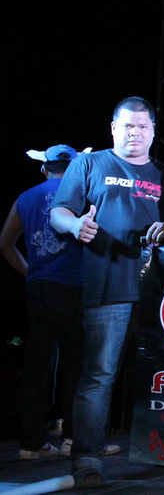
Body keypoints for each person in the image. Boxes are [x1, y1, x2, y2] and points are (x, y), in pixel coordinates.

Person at [50, 97, 164, 488]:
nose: (134, 133)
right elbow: (58, 212)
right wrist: (75, 226)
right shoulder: (89, 164)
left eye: (142, 126)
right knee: (99, 375)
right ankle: (87, 459)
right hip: (108, 287)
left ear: (153, 131)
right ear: (113, 128)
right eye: (127, 126)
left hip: (162, 293)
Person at [1, 146, 87, 460]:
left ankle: (31, 443)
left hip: (40, 287)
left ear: (44, 168)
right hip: (75, 285)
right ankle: (73, 439)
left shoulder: (25, 197)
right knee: (75, 364)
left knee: (37, 365)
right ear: (74, 167)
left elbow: (5, 244)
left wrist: (31, 273)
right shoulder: (82, 194)